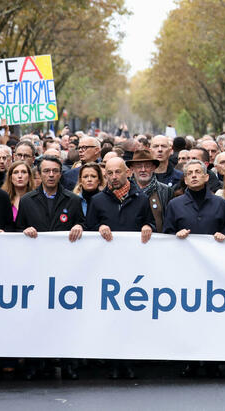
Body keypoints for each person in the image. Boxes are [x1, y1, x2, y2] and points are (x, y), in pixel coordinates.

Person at [15, 154, 86, 381]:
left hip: (66, 269)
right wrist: (24, 232)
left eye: (55, 171)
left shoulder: (73, 201)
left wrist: (78, 226)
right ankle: (36, 364)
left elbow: (84, 225)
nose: (51, 175)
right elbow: (16, 231)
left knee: (66, 319)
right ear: (40, 174)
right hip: (36, 269)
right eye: (46, 171)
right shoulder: (27, 200)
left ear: (60, 173)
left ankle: (68, 364)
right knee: (37, 318)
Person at [84, 157, 154, 380]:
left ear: (127, 173)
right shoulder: (97, 200)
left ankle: (130, 360)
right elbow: (89, 228)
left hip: (133, 266)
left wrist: (147, 226)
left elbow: (151, 223)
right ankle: (113, 360)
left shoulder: (141, 199)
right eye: (110, 173)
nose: (114, 177)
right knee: (110, 316)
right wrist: (99, 227)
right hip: (106, 267)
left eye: (118, 172)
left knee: (130, 316)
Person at [162, 160, 225, 239]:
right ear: (185, 180)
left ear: (206, 177)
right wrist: (177, 234)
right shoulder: (174, 204)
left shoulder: (220, 203)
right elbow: (167, 234)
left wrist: (223, 235)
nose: (194, 176)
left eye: (197, 172)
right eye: (190, 173)